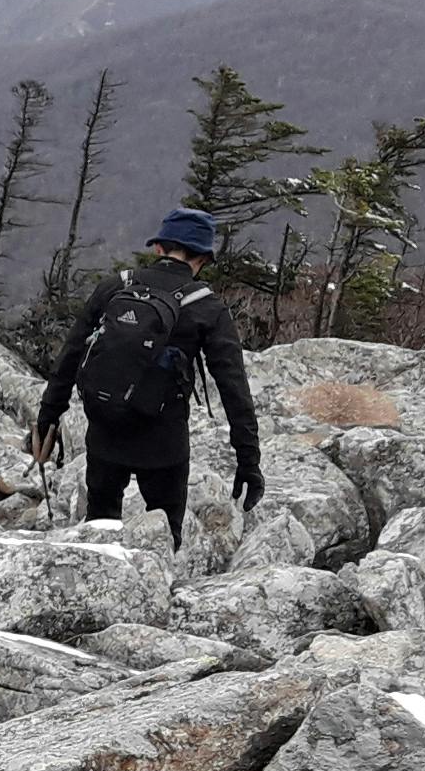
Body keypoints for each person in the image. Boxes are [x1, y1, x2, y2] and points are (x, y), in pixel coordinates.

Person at [28, 207, 263, 548]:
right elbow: (234, 389)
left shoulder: (115, 287)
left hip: (106, 432)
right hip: (163, 445)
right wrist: (248, 462)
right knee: (165, 538)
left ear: (158, 248)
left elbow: (70, 356)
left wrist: (47, 419)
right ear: (204, 258)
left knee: (100, 532)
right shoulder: (207, 308)